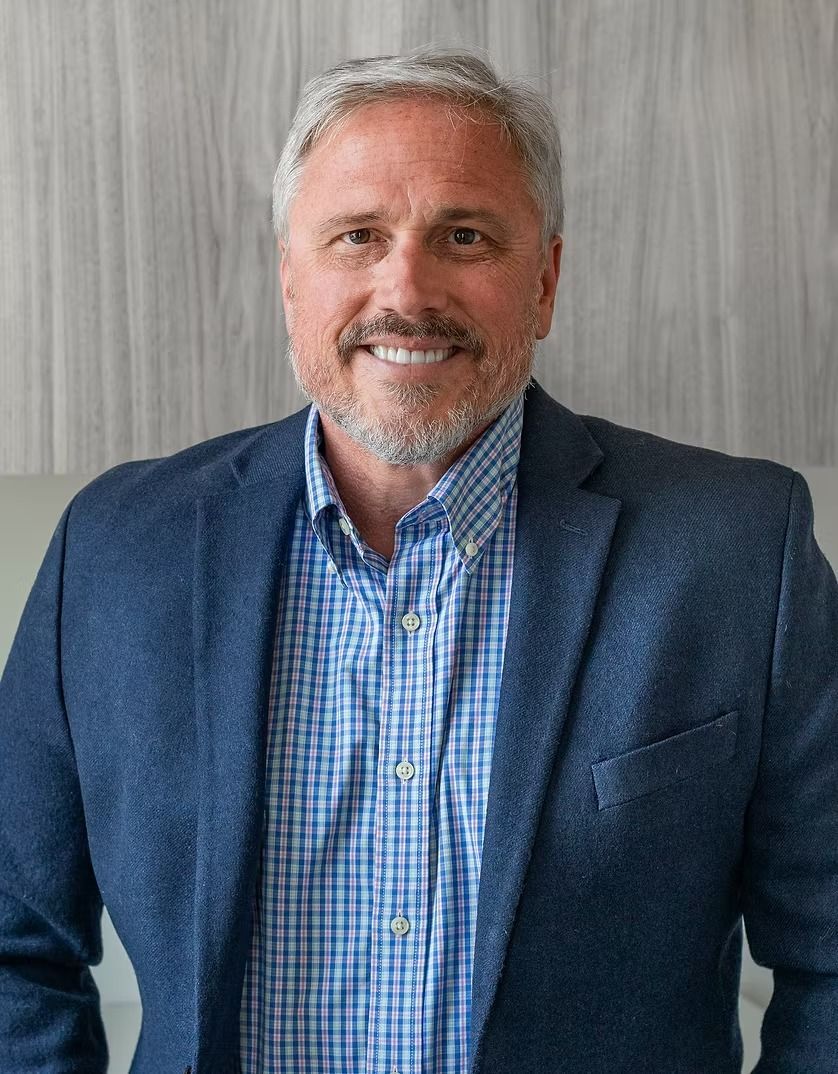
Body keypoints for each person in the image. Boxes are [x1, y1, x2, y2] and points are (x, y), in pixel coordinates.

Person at [0, 46, 836, 1074]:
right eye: (357, 236)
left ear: (544, 281)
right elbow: (11, 946)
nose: (407, 286)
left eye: (464, 236)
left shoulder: (736, 550)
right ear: (289, 279)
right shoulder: (116, 551)